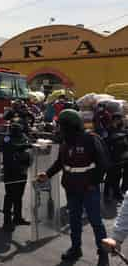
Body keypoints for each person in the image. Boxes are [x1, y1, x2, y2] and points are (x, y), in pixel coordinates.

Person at [37, 109, 110, 266]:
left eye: (62, 126)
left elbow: (103, 164)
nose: (59, 129)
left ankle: (103, 253)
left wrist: (92, 183)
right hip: (72, 190)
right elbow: (60, 163)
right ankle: (76, 249)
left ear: (70, 126)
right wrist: (47, 174)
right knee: (74, 220)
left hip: (89, 190)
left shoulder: (90, 139)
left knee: (96, 221)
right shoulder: (66, 142)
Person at [0, 122, 33, 232]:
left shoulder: (23, 136)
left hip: (22, 170)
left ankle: (18, 217)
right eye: (16, 131)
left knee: (19, 195)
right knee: (10, 196)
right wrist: (25, 145)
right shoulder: (7, 138)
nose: (19, 133)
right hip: (11, 171)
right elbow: (11, 148)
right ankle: (7, 221)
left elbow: (28, 142)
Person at [104, 113, 128, 202]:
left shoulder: (123, 129)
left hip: (121, 158)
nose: (120, 121)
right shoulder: (108, 130)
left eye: (120, 119)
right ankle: (107, 194)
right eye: (118, 119)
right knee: (110, 176)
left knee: (118, 176)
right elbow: (106, 142)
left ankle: (116, 193)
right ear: (114, 120)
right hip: (112, 157)